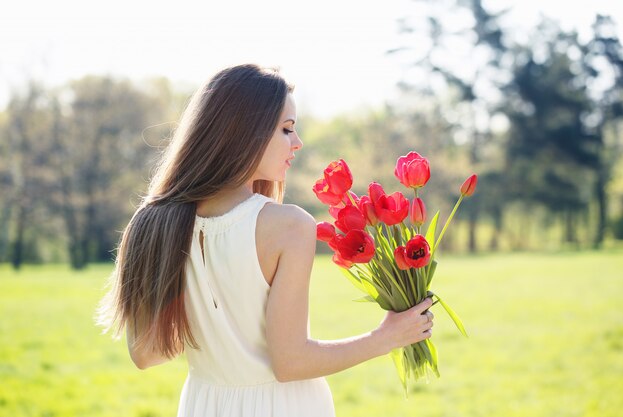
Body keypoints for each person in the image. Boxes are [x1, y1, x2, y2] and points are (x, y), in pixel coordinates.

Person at [97, 64, 434, 417]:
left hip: (204, 406)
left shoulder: (150, 222)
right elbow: (291, 363)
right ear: (245, 132)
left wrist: (215, 322)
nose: (298, 142)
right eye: (286, 129)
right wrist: (385, 338)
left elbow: (146, 354)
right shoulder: (288, 226)